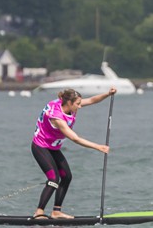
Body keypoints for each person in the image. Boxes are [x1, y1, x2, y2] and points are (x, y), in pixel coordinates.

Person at [31, 87, 116, 219]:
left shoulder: (69, 104)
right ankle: (39, 212)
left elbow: (93, 100)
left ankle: (56, 212)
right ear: (69, 103)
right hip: (40, 147)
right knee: (54, 179)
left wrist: (108, 94)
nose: (80, 106)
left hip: (53, 148)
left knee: (66, 177)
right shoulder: (57, 117)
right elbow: (74, 138)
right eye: (77, 104)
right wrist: (98, 147)